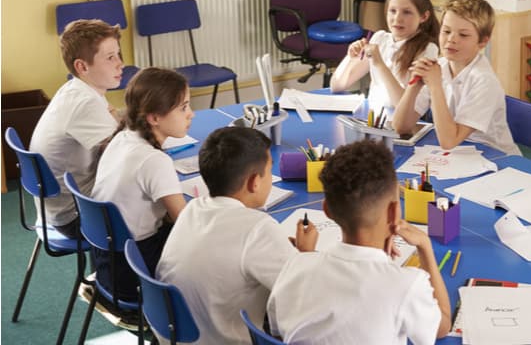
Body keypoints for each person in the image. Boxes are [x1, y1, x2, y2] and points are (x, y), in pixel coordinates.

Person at [267, 139, 451, 344]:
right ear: (394, 212)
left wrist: (306, 257)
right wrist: (424, 246)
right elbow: (442, 327)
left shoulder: (295, 265)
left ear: (327, 210)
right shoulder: (407, 285)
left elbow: (275, 330)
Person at [156, 126, 318, 345]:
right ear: (254, 182)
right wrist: (305, 255)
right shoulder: (258, 229)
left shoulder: (193, 208)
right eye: (271, 170)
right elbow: (305, 293)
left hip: (172, 334)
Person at [91, 67, 194, 304]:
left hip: (107, 265)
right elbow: (187, 224)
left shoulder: (121, 137)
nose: (191, 114)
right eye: (183, 107)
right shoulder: (154, 160)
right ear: (154, 118)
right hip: (134, 274)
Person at [29, 19, 122, 239]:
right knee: (158, 208)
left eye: (118, 55)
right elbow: (126, 154)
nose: (120, 64)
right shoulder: (85, 102)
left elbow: (116, 129)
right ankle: (116, 271)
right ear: (82, 66)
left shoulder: (74, 89)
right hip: (77, 216)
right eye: (110, 58)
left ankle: (109, 270)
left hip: (59, 207)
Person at [392, 0, 519, 156]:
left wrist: (435, 85)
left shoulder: (484, 81)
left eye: (463, 35)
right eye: (446, 31)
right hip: (460, 153)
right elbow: (400, 127)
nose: (451, 40)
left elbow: (448, 141)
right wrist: (414, 85)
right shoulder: (440, 66)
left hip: (496, 158)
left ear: (482, 42)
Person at [330, 0, 440, 110]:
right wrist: (350, 58)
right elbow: (336, 86)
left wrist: (379, 64)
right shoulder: (380, 38)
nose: (397, 19)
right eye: (392, 11)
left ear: (424, 16)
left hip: (399, 124)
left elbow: (406, 109)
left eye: (407, 12)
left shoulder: (427, 50)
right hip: (373, 118)